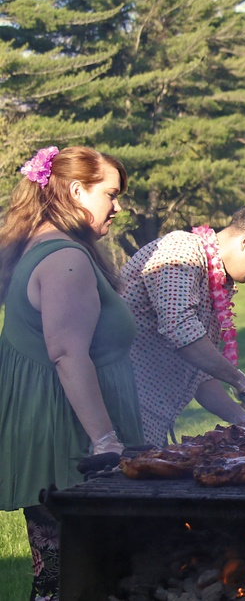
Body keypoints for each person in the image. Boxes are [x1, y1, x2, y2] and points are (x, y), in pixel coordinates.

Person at [0, 145, 145, 600]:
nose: (118, 207)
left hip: (61, 443)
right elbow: (67, 354)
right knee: (83, 584)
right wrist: (106, 443)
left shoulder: (45, 248)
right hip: (73, 450)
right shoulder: (65, 259)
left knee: (64, 582)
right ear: (77, 190)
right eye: (111, 194)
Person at [119, 202, 245, 447]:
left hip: (149, 424)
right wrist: (241, 382)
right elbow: (179, 329)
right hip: (117, 411)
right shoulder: (181, 250)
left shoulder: (216, 281)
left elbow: (200, 375)